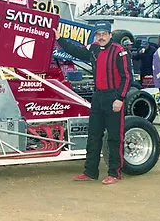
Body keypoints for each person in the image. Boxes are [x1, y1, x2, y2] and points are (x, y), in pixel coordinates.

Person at [54, 20, 131, 185]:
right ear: (95, 36)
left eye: (104, 34)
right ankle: (90, 171)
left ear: (110, 35)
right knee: (93, 136)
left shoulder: (120, 51)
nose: (101, 37)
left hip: (114, 98)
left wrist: (120, 98)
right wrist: (60, 39)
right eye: (99, 34)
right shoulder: (94, 48)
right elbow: (77, 51)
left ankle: (114, 173)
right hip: (97, 97)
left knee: (114, 137)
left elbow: (127, 76)